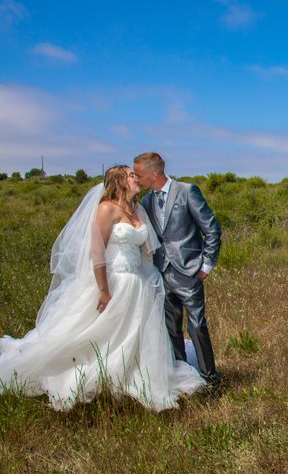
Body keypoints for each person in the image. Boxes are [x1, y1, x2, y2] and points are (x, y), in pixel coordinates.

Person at [0, 166, 206, 411]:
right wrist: (103, 289)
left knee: (136, 335)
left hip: (138, 282)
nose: (136, 178)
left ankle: (134, 376)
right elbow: (96, 252)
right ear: (118, 181)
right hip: (114, 281)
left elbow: (148, 250)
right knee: (98, 333)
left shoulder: (138, 209)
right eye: (131, 175)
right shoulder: (106, 209)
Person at [133, 152, 222, 385]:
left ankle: (209, 377)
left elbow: (212, 229)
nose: (137, 179)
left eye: (139, 175)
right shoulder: (146, 201)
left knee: (197, 325)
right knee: (171, 328)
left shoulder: (187, 191)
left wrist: (206, 265)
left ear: (154, 173)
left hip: (189, 270)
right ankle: (183, 377)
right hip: (161, 272)